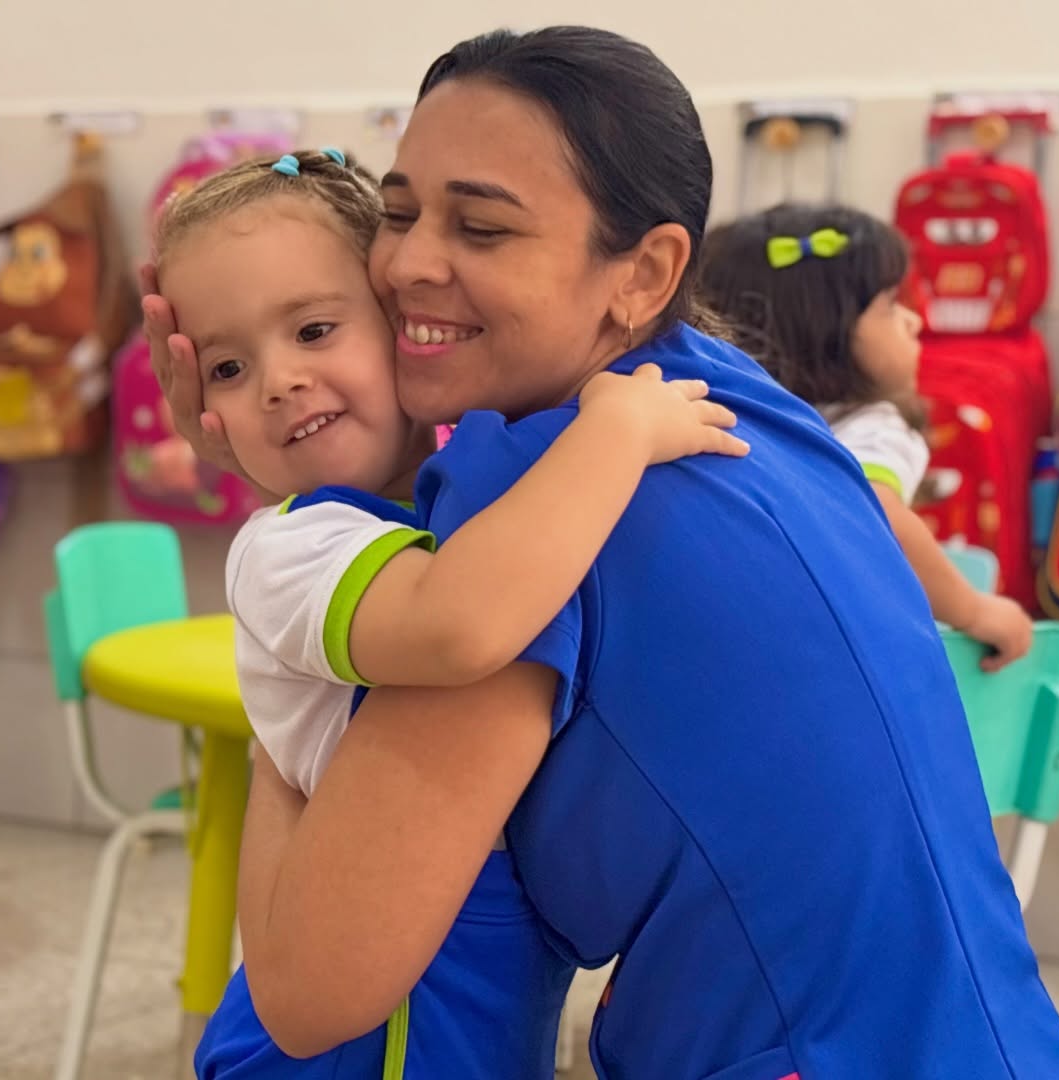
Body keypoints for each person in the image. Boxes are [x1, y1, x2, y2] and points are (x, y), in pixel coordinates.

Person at [147, 26, 1059, 1080]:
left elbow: (310, 989)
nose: (410, 262)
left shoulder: (536, 503)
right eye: (402, 212)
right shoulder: (751, 408)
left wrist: (279, 701)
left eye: (483, 228)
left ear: (643, 271)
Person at [148, 147, 746, 1078]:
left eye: (312, 330)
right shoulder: (292, 548)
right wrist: (616, 434)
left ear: (403, 324)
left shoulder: (446, 502)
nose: (277, 381)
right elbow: (459, 622)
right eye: (227, 367)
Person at [699, 203, 1034, 671]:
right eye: (891, 306)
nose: (913, 322)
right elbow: (877, 512)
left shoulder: (719, 414)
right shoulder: (872, 426)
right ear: (827, 333)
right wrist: (975, 611)